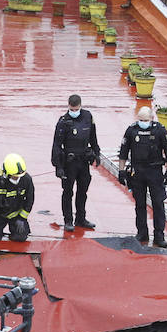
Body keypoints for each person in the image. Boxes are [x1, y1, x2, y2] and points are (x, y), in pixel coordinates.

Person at [117, 105, 167, 247]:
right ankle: (142, 232)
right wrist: (121, 170)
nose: (143, 122)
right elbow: (123, 151)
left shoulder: (159, 130)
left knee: (158, 204)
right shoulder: (132, 130)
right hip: (137, 171)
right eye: (140, 119)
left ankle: (159, 235)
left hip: (154, 171)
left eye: (145, 120)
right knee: (140, 204)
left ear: (151, 118)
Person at [51, 94, 101, 231]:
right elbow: (56, 145)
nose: (74, 112)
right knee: (68, 192)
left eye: (76, 109)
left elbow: (93, 137)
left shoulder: (87, 117)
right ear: (68, 106)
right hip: (69, 162)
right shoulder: (63, 121)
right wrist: (58, 166)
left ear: (80, 106)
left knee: (82, 191)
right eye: (71, 110)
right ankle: (68, 220)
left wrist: (97, 154)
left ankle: (81, 218)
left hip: (83, 161)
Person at [0, 153, 35, 242]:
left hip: (16, 215)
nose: (17, 178)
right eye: (14, 176)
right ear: (6, 173)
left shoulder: (26, 180)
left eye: (19, 176)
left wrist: (22, 218)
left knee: (20, 238)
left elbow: (30, 200)